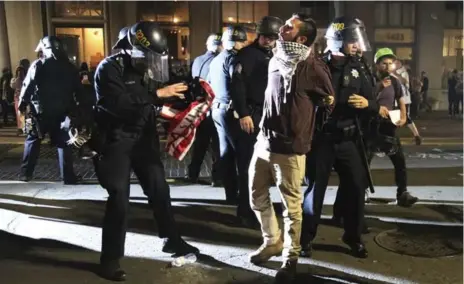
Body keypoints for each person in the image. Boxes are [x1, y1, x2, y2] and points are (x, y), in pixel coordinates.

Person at [93, 21, 199, 281]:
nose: (150, 61)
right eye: (146, 54)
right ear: (130, 47)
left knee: (160, 191)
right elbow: (118, 104)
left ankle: (171, 240)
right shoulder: (109, 68)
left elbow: (152, 101)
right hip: (116, 141)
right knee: (119, 199)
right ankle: (110, 259)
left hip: (143, 140)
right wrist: (157, 96)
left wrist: (182, 104)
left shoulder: (146, 70)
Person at [247, 13, 334, 283]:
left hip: (291, 148)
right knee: (255, 195)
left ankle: (290, 257)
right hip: (264, 142)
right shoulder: (275, 57)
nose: (282, 27)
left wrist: (303, 128)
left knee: (291, 207)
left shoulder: (313, 67)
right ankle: (272, 241)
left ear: (302, 38)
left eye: (289, 26)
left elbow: (328, 101)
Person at [301, 16, 389, 260]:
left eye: (358, 41)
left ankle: (353, 236)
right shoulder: (317, 66)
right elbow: (302, 99)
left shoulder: (359, 66)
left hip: (350, 138)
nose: (357, 46)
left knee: (356, 187)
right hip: (322, 139)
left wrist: (367, 103)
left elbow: (373, 101)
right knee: (315, 191)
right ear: (338, 41)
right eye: (352, 41)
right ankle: (305, 239)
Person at [230, 16, 283, 227]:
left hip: (270, 114)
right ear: (259, 35)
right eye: (266, 36)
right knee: (247, 166)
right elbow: (237, 86)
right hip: (252, 114)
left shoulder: (276, 55)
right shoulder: (246, 55)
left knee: (264, 166)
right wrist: (243, 113)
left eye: (273, 37)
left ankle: (259, 206)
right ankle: (245, 210)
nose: (270, 41)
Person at [18, 36, 82, 184]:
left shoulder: (39, 65)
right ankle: (67, 176)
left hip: (40, 112)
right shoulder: (69, 67)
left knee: (33, 141)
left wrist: (23, 105)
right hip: (62, 112)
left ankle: (25, 174)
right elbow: (78, 90)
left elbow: (28, 86)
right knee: (64, 143)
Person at [209, 25, 248, 204]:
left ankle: (230, 195)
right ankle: (243, 198)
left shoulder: (216, 60)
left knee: (226, 154)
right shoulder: (235, 59)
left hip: (217, 108)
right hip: (231, 111)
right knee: (242, 154)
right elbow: (236, 83)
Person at [185, 33, 222, 186]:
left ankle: (192, 174)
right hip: (213, 106)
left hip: (199, 108)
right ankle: (217, 177)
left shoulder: (197, 60)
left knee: (200, 143)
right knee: (217, 145)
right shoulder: (218, 61)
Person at [395, 59, 422, 145]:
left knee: (406, 118)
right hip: (396, 99)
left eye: (398, 63)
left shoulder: (403, 72)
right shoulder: (393, 72)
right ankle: (392, 137)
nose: (396, 64)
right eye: (395, 63)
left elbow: (403, 81)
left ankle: (417, 136)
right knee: (394, 117)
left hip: (404, 99)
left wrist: (394, 73)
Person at [10, 66, 26, 135]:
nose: (20, 73)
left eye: (21, 72)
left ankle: (28, 128)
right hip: (17, 98)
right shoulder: (14, 79)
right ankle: (21, 128)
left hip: (26, 98)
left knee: (27, 114)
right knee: (19, 114)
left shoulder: (26, 78)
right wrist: (18, 78)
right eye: (19, 72)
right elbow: (13, 86)